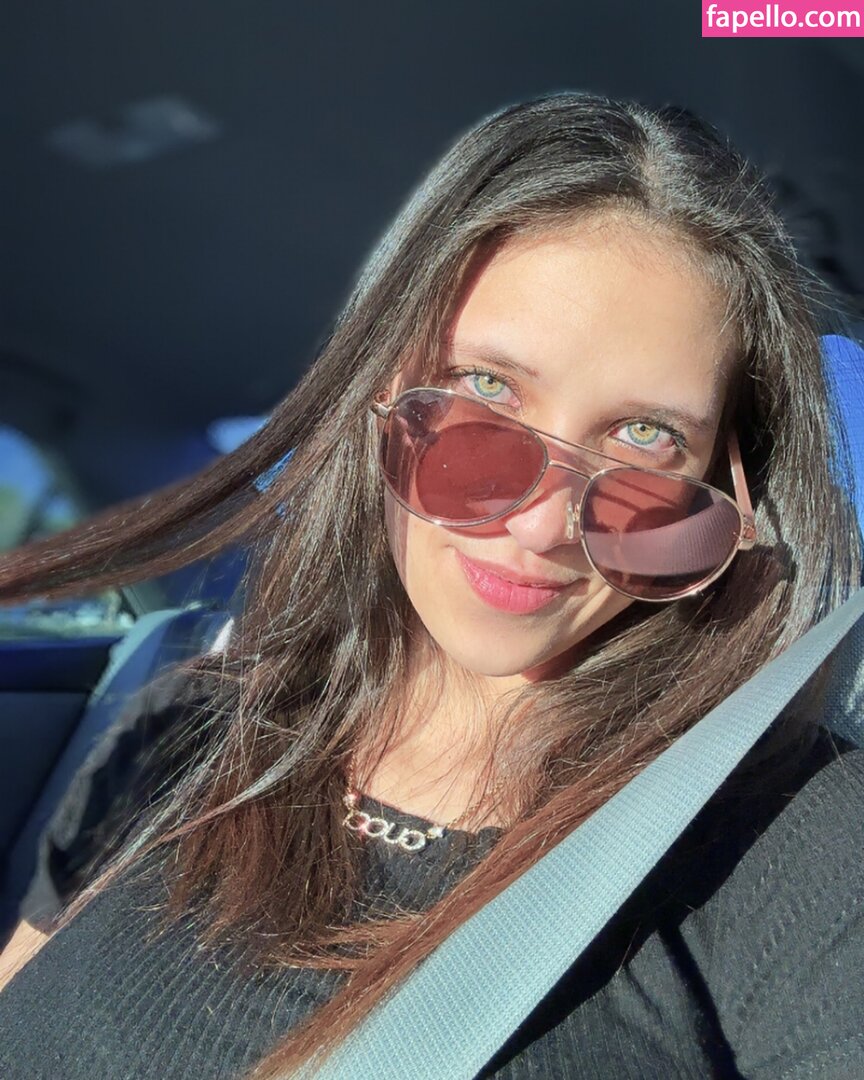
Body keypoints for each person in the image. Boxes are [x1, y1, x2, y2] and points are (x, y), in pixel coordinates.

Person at [0, 91, 862, 1079]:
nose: (541, 528)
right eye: (487, 390)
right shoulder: (182, 730)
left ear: (720, 484)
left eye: (645, 436)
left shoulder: (795, 834)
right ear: (381, 392)